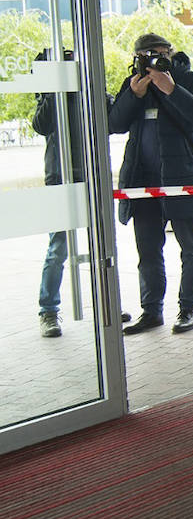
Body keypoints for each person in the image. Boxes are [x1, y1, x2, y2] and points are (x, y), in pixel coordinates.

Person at [108, 35, 193, 335]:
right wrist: (133, 96)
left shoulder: (189, 80)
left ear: (171, 54)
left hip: (181, 179)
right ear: (136, 57)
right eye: (147, 56)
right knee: (148, 250)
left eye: (161, 55)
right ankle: (151, 311)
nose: (154, 61)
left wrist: (172, 90)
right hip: (141, 182)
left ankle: (188, 308)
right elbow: (114, 124)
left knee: (190, 247)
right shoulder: (133, 84)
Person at [32, 50, 110, 337]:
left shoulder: (87, 90)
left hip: (90, 176)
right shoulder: (51, 94)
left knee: (103, 247)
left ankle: (107, 304)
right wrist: (55, 88)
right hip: (60, 178)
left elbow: (110, 117)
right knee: (59, 248)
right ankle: (48, 311)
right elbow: (40, 125)